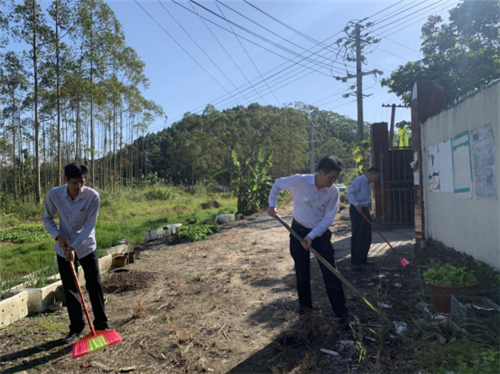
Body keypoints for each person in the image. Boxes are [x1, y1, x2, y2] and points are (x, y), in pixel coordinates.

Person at [267, 156, 349, 324]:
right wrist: (271, 204)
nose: (332, 182)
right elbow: (277, 184)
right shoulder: (300, 181)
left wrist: (311, 236)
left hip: (319, 234)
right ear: (320, 172)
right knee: (302, 273)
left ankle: (341, 312)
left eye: (335, 179)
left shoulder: (333, 192)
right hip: (298, 231)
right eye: (330, 177)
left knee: (331, 271)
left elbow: (328, 219)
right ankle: (306, 314)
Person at [43, 163, 109, 344]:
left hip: (86, 246)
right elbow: (47, 218)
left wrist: (75, 246)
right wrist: (58, 236)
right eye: (74, 183)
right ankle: (76, 328)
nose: (79, 187)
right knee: (70, 288)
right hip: (63, 248)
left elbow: (89, 226)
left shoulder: (92, 196)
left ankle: (102, 324)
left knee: (94, 284)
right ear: (65, 180)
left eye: (82, 182)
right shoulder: (54, 195)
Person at [346, 167, 381, 271]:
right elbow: (349, 194)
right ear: (370, 173)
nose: (376, 180)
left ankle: (363, 259)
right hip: (357, 210)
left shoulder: (368, 183)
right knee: (358, 235)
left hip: (364, 209)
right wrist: (357, 205)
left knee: (366, 235)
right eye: (376, 177)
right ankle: (355, 262)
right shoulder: (359, 180)